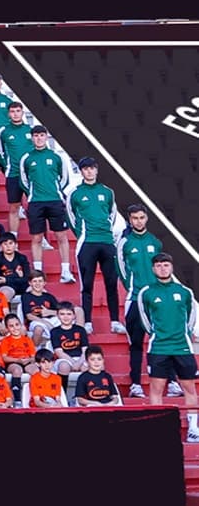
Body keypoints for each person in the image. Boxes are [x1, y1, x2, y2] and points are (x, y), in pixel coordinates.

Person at [135, 254, 199, 441]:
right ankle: (159, 429)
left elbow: (191, 317)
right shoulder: (146, 293)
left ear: (171, 267)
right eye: (159, 266)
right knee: (157, 388)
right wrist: (158, 334)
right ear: (153, 269)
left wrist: (183, 334)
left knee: (189, 388)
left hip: (182, 347)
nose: (163, 268)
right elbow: (145, 321)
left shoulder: (185, 291)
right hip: (159, 348)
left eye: (166, 265)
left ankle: (193, 428)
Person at [68, 157, 125, 334]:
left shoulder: (107, 192)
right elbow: (71, 216)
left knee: (111, 283)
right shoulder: (75, 193)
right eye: (85, 169)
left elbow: (112, 214)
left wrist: (104, 230)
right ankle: (87, 322)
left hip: (107, 242)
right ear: (81, 171)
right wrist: (82, 235)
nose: (89, 172)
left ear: (96, 170)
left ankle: (115, 321)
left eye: (92, 168)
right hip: (87, 243)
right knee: (87, 284)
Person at [15, 125, 74, 282]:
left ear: (46, 137)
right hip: (35, 202)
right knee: (37, 238)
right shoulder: (26, 158)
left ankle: (66, 271)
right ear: (32, 138)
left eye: (41, 135)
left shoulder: (56, 156)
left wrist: (55, 191)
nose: (39, 138)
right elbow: (23, 180)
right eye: (36, 136)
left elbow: (64, 178)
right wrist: (34, 193)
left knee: (61, 236)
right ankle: (38, 273)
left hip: (55, 201)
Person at [119, 204, 166, 397]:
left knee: (162, 340)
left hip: (155, 298)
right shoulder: (125, 242)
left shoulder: (155, 242)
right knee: (136, 343)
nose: (139, 221)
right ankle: (136, 384)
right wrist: (132, 288)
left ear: (147, 218)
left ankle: (170, 382)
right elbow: (121, 269)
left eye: (141, 217)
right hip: (135, 298)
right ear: (130, 220)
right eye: (135, 218)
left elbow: (162, 269)